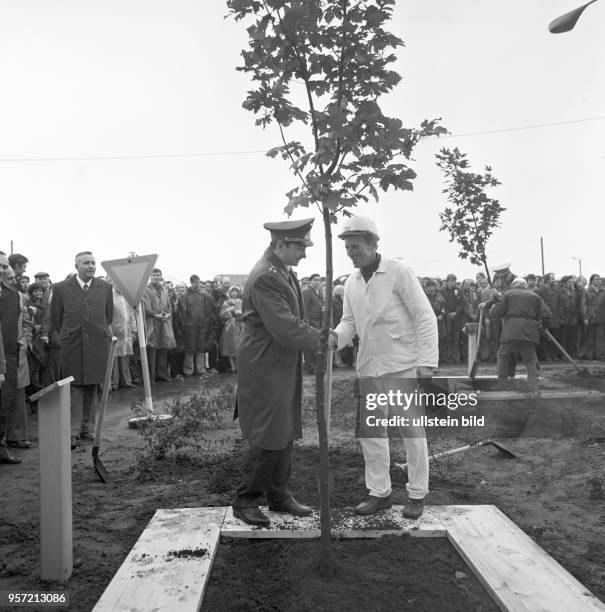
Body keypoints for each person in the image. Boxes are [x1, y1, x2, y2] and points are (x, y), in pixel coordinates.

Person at [333, 215, 438, 520]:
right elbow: (349, 323)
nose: (350, 252)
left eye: (355, 246)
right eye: (347, 247)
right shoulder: (351, 282)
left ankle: (417, 495)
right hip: (369, 368)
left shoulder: (398, 272)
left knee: (412, 433)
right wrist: (334, 339)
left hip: (402, 367)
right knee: (371, 434)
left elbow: (424, 316)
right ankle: (379, 493)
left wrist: (427, 361)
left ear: (373, 244)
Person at [232, 217, 332, 528]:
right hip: (266, 365)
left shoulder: (281, 271)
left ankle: (278, 494)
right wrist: (321, 340)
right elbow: (284, 325)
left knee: (284, 428)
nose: (304, 254)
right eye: (300, 247)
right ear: (281, 244)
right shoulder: (266, 276)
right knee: (268, 431)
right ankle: (246, 499)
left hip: (280, 363)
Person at [50, 251, 113, 450]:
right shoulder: (61, 288)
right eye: (86, 263)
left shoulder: (105, 287)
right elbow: (56, 319)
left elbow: (108, 316)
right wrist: (72, 334)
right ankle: (73, 432)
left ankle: (88, 429)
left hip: (96, 345)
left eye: (93, 263)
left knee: (92, 386)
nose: (91, 266)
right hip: (73, 346)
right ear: (76, 266)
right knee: (74, 388)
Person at [489, 278, 551, 389]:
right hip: (529, 331)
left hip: (511, 331)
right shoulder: (535, 296)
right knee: (530, 359)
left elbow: (496, 313)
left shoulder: (508, 294)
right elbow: (547, 314)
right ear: (525, 285)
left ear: (513, 285)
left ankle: (502, 382)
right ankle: (533, 384)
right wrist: (544, 325)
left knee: (503, 355)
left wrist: (492, 308)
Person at [141, 268, 176, 382]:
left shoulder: (164, 290)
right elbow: (145, 308)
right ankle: (151, 378)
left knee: (163, 349)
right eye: (154, 275)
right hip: (152, 323)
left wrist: (167, 314)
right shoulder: (145, 290)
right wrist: (156, 315)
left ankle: (163, 374)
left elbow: (168, 306)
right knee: (152, 350)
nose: (156, 277)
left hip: (164, 323)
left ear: (161, 276)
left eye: (158, 275)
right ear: (150, 276)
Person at [181, 275, 215, 376]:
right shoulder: (186, 295)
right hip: (190, 326)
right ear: (191, 283)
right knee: (189, 348)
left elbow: (211, 303)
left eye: (198, 282)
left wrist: (205, 322)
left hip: (202, 326)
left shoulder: (203, 294)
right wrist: (186, 324)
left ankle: (201, 369)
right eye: (195, 282)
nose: (197, 284)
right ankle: (188, 370)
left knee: (201, 347)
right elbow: (183, 311)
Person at [302, 273, 323, 373]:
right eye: (315, 280)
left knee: (317, 345)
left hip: (318, 321)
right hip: (311, 322)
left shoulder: (318, 291)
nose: (317, 282)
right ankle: (311, 367)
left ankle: (316, 366)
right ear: (310, 281)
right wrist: (307, 323)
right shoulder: (307, 291)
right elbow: (304, 308)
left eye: (319, 280)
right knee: (311, 345)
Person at [219, 286, 243, 372]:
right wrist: (228, 311)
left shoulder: (241, 302)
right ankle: (232, 366)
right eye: (232, 291)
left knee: (239, 346)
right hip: (230, 326)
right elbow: (222, 314)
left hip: (240, 326)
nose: (234, 293)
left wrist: (240, 314)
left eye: (236, 291)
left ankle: (239, 366)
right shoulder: (226, 302)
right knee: (230, 346)